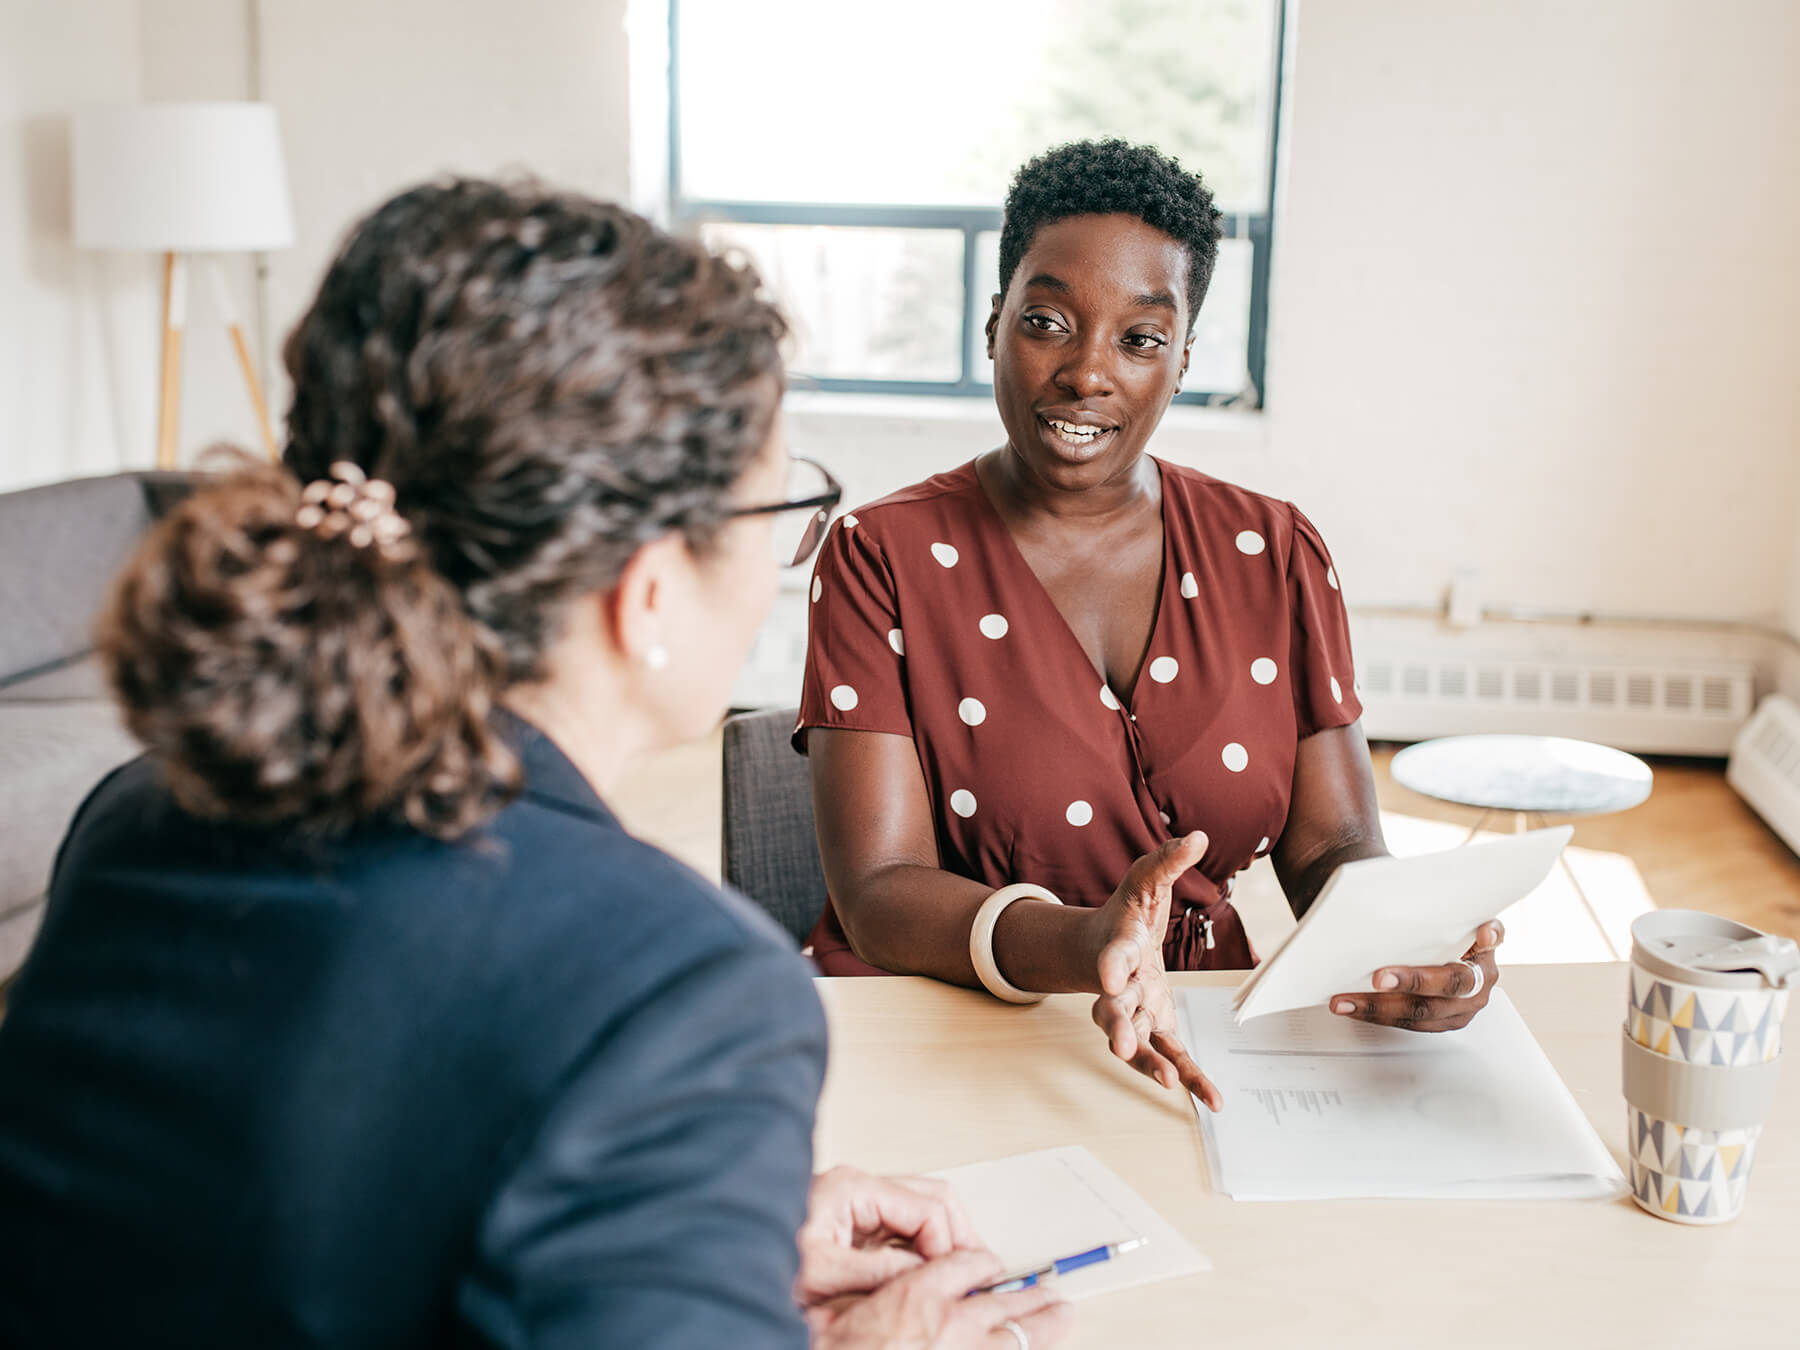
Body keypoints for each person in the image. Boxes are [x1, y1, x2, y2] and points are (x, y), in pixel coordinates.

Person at [0, 180, 1070, 1350]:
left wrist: (681, 1241)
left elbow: (282, 1227)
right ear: (648, 592)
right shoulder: (678, 993)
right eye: (775, 513)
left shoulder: (143, 811)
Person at [798, 140, 1505, 1104]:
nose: (1089, 372)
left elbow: (1331, 844)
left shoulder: (1278, 551)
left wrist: (1409, 949)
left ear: (1180, 362)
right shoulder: (881, 556)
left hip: (1199, 1030)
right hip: (940, 1027)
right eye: (1048, 321)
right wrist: (1088, 941)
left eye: (1140, 338)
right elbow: (877, 892)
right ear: (994, 325)